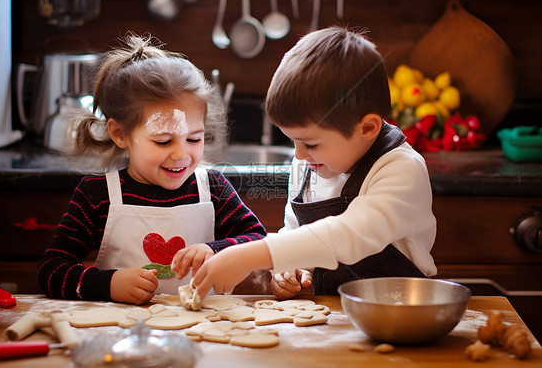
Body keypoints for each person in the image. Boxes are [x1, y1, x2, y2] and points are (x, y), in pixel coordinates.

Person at [184, 26, 437, 300]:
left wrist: (248, 256)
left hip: (398, 313)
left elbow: (348, 234)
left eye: (312, 144)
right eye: (292, 141)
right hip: (333, 316)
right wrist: (288, 269)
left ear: (367, 128)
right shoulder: (310, 165)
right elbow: (295, 234)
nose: (300, 155)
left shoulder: (400, 169)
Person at [37, 33, 266, 305]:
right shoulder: (97, 195)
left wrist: (215, 249)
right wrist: (107, 284)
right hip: (122, 337)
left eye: (194, 138)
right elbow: (50, 270)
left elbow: (258, 240)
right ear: (120, 134)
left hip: (201, 334)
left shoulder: (212, 188)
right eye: (163, 140)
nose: (181, 154)